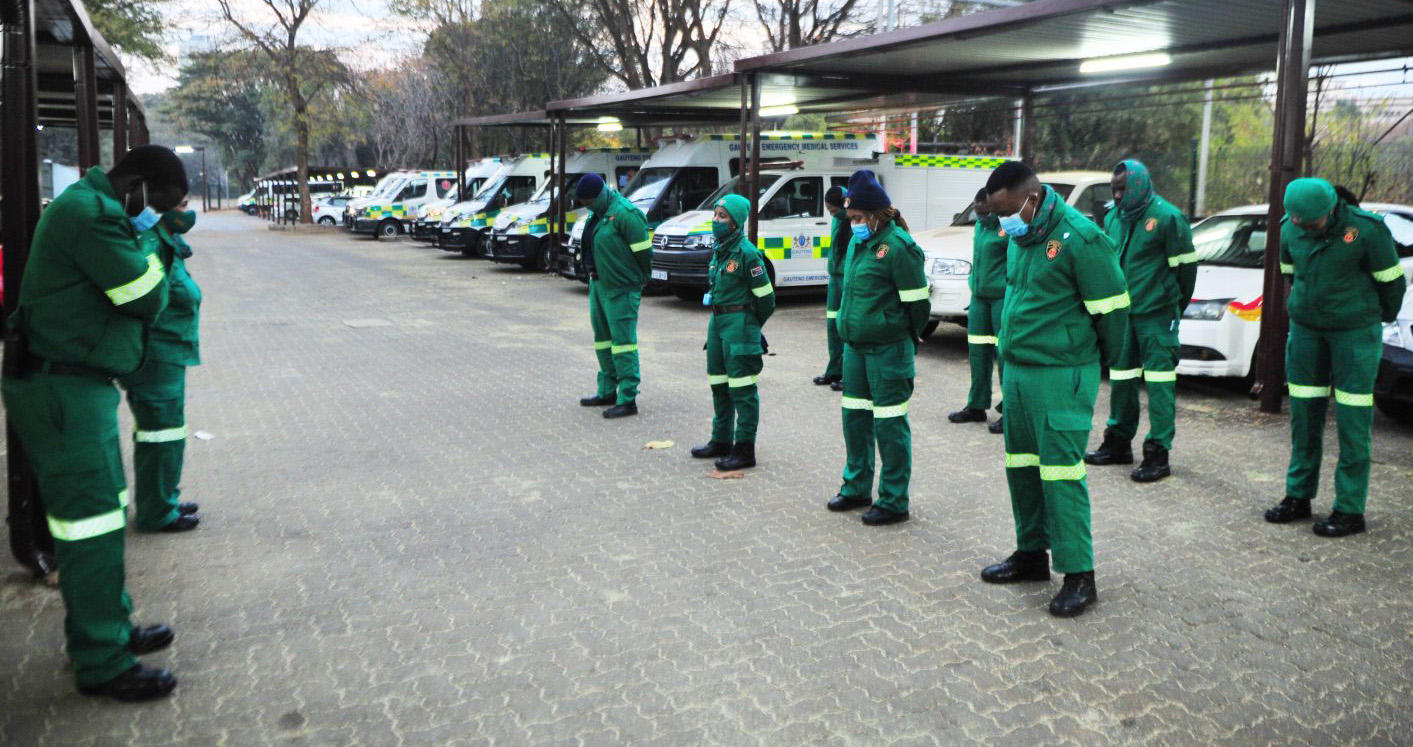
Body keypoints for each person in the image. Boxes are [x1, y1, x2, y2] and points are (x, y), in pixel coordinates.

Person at [1, 145, 188, 700]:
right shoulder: (89, 217)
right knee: (90, 525)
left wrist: (149, 237)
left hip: (77, 383)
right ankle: (102, 662)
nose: (153, 214)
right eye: (157, 203)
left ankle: (108, 629)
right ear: (133, 182)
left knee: (100, 519)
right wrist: (158, 243)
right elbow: (147, 296)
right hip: (63, 388)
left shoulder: (96, 210)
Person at [977, 162, 1129, 618]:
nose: (1001, 222)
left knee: (1061, 474)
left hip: (1061, 375)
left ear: (1033, 198)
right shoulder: (1022, 237)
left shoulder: (1081, 239)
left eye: (1006, 211)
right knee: (1021, 467)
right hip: (1019, 372)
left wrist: (1089, 364)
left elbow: (1114, 313)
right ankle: (1031, 555)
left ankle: (1080, 575)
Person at [1265, 178, 1406, 537]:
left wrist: (1373, 318)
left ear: (1331, 210)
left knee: (1353, 421)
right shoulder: (1290, 229)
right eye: (1296, 220)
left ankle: (1349, 509)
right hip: (1307, 334)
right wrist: (1297, 310)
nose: (1302, 227)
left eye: (1310, 222)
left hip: (1354, 337)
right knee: (1304, 417)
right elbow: (1289, 274)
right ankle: (1298, 496)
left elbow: (1392, 284)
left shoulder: (1367, 230)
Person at [825, 171, 930, 526]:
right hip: (855, 349)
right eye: (849, 218)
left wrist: (901, 334)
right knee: (854, 419)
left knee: (889, 426)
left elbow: (918, 305)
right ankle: (856, 487)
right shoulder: (859, 242)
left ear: (875, 215)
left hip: (887, 351)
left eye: (856, 218)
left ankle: (894, 500)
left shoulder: (899, 248)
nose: (851, 224)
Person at [1084, 159, 1197, 482]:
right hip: (1124, 317)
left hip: (1157, 318)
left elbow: (1186, 271)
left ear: (1139, 184)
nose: (1117, 196)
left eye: (1123, 189)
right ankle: (1118, 442)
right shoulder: (1116, 218)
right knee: (1121, 380)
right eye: (1114, 189)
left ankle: (1158, 453)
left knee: (1159, 386)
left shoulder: (1168, 218)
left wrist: (1172, 305)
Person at [117, 201, 204, 533]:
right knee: (159, 435)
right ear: (160, 208)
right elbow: (144, 300)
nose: (188, 210)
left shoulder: (167, 243)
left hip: (169, 355)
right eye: (181, 204)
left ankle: (164, 498)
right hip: (155, 357)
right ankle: (157, 512)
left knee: (168, 434)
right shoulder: (150, 244)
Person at [691, 193, 776, 470]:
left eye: (722, 216)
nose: (716, 220)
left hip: (739, 325)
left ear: (735, 223)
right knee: (719, 385)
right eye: (715, 214)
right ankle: (721, 440)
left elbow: (766, 299)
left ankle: (744, 449)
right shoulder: (720, 250)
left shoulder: (747, 253)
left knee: (742, 389)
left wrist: (750, 326)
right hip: (717, 324)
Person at [574, 173, 652, 419]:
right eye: (584, 202)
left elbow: (644, 253)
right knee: (603, 341)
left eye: (589, 201)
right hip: (599, 284)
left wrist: (638, 280)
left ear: (600, 194)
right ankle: (607, 390)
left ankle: (627, 398)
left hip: (621, 287)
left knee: (623, 343)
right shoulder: (597, 214)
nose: (587, 205)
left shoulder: (625, 214)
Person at [948, 188, 1008, 435]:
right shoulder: (981, 227)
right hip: (980, 299)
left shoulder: (1007, 228)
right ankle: (977, 405)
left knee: (1005, 355)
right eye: (977, 212)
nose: (981, 217)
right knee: (977, 354)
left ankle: (1011, 410)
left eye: (985, 213)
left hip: (1001, 299)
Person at [812, 186, 851, 391]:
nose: (831, 214)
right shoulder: (838, 220)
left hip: (848, 279)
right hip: (835, 278)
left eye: (834, 210)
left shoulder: (856, 220)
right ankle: (834, 369)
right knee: (832, 327)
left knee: (846, 326)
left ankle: (849, 373)